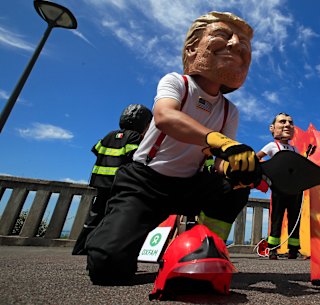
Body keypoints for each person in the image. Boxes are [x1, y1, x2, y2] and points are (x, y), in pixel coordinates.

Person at [85, 11, 260, 285]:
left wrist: (237, 168)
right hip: (145, 181)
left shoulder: (230, 111)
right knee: (107, 267)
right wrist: (222, 141)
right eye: (224, 36)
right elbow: (166, 117)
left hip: (189, 184)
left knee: (233, 189)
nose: (236, 44)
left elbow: (217, 160)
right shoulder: (176, 82)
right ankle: (108, 235)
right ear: (192, 48)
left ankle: (208, 249)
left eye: (243, 43)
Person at [72, 104, 152, 256]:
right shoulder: (134, 137)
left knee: (95, 214)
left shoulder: (109, 135)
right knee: (113, 215)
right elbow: (136, 157)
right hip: (119, 183)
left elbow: (96, 149)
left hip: (100, 182)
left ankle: (80, 248)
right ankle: (103, 247)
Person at [256, 113, 303, 260]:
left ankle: (294, 249)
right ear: (272, 127)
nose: (287, 125)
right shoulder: (271, 146)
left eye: (290, 122)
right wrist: (266, 173)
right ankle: (273, 249)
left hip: (295, 189)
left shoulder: (295, 149)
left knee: (295, 218)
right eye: (282, 121)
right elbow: (256, 159)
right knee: (277, 218)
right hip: (279, 188)